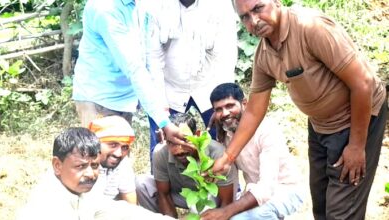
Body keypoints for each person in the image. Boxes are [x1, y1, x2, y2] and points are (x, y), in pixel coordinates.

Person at [211, 1, 388, 220]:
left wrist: (357, 145)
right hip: (319, 125)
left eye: (258, 8)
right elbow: (254, 110)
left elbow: (364, 83)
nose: (254, 20)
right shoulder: (264, 53)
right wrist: (228, 157)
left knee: (342, 212)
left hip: (357, 119)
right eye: (245, 17)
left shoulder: (310, 27)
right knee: (321, 206)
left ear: (276, 2)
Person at [72, 0, 186, 147]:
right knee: (98, 158)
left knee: (119, 157)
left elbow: (148, 56)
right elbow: (134, 67)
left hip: (125, 98)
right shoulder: (104, 7)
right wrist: (163, 122)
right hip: (98, 97)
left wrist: (160, 104)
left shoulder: (140, 4)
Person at [17, 127, 177, 220]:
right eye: (80, 166)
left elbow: (119, 211)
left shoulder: (84, 190)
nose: (90, 173)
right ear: (57, 165)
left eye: (94, 165)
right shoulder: (46, 205)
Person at [145, 0, 238, 160]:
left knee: (224, 142)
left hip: (209, 85)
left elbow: (226, 56)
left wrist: (222, 102)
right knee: (163, 148)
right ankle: (167, 184)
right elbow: (153, 60)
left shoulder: (220, 5)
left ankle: (227, 184)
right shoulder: (155, 5)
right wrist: (160, 108)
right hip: (168, 88)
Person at [200, 83, 304, 220]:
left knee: (243, 217)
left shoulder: (266, 130)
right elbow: (228, 174)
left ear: (244, 103)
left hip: (285, 190)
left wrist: (226, 211)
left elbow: (266, 188)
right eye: (219, 109)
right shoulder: (226, 133)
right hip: (254, 190)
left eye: (230, 106)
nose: (225, 113)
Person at [136, 113, 238, 218]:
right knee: (141, 184)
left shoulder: (217, 153)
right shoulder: (160, 152)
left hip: (212, 196)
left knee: (199, 207)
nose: (178, 150)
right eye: (171, 142)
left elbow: (227, 202)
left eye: (185, 140)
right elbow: (163, 194)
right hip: (181, 194)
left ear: (197, 135)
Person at [88, 115, 137, 204]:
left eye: (125, 147)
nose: (119, 154)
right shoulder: (81, 163)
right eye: (113, 145)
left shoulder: (124, 163)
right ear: (95, 143)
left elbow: (131, 205)